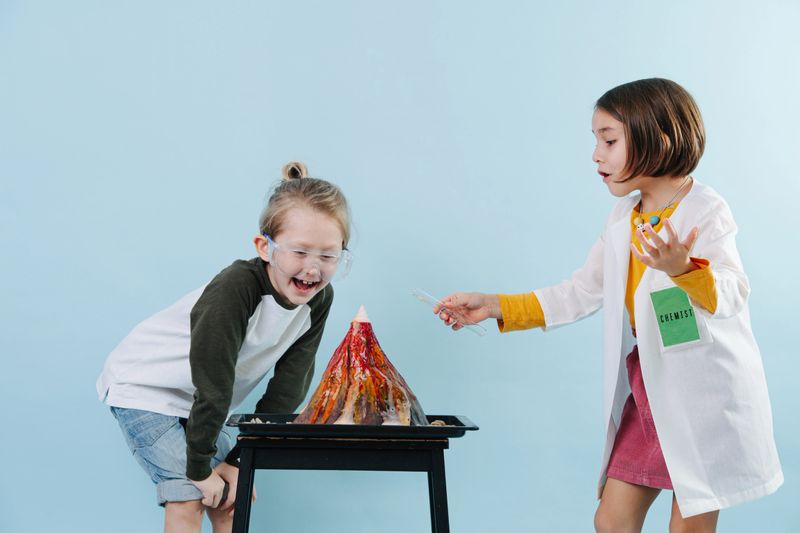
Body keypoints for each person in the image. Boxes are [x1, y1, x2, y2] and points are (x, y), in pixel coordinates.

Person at [435, 79, 782, 532]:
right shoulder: (624, 217)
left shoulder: (705, 209)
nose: (596, 155)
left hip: (702, 389)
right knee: (612, 519)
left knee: (691, 519)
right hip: (649, 383)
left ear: (658, 140)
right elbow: (581, 291)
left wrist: (684, 270)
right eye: (596, 140)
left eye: (610, 140)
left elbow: (734, 291)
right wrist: (494, 305)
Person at [97, 162, 353, 533]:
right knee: (188, 495)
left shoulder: (318, 299)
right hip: (145, 388)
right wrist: (200, 468)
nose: (313, 270)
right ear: (265, 248)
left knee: (234, 495)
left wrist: (239, 457)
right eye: (300, 252)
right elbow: (214, 379)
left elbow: (290, 386)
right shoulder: (236, 288)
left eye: (328, 256)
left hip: (199, 401)